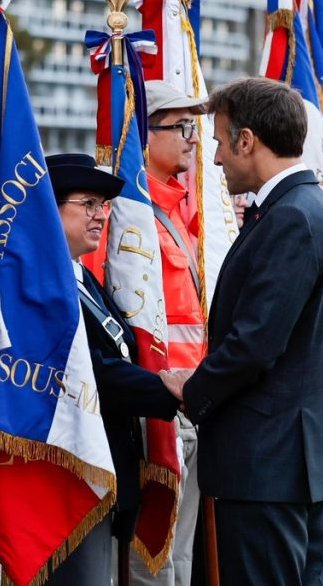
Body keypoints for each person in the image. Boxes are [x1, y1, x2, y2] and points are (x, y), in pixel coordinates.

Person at [159, 76, 323, 584]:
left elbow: (255, 343)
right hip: (293, 463)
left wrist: (193, 389)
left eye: (221, 142)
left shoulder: (292, 217)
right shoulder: (309, 207)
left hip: (271, 464)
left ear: (248, 141)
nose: (215, 158)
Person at [45, 153, 180, 585]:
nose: (101, 215)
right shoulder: (45, 286)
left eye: (103, 205)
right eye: (88, 203)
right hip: (74, 479)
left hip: (109, 472)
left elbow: (119, 350)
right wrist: (170, 390)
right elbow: (93, 370)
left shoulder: (82, 276)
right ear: (51, 206)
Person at [130, 80, 211, 586]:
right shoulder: (128, 217)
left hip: (196, 406)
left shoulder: (182, 210)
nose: (193, 138)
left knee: (182, 560)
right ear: (144, 134)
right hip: (158, 409)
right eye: (180, 126)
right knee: (151, 562)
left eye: (193, 126)